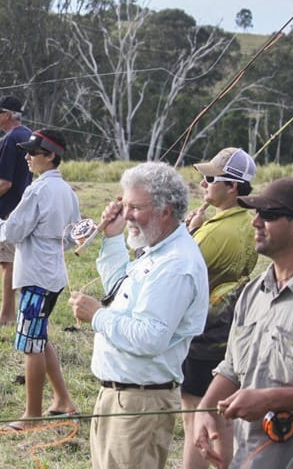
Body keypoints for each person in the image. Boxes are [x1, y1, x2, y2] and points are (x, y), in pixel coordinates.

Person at [194, 177, 293, 469]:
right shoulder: (252, 293)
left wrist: (268, 400)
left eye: (269, 216)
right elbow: (231, 368)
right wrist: (205, 409)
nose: (255, 223)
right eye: (256, 214)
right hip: (245, 458)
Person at [68, 162, 208, 469]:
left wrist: (97, 316)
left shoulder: (176, 265)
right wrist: (114, 237)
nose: (126, 214)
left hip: (140, 405)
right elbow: (120, 291)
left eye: (135, 207)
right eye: (124, 204)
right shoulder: (156, 250)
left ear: (165, 211)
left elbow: (150, 338)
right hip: (120, 398)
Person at [0, 129, 80, 430]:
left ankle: (32, 415)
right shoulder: (67, 191)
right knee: (40, 338)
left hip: (36, 279)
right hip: (54, 276)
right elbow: (72, 237)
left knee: (31, 345)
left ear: (51, 156)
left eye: (33, 152)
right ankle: (63, 400)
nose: (27, 157)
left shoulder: (37, 190)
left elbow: (11, 232)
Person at [180, 147, 258, 469]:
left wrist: (190, 232)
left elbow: (177, 270)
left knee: (194, 417)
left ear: (233, 187)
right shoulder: (250, 224)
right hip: (230, 336)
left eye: (210, 179)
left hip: (201, 338)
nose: (203, 185)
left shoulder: (213, 233)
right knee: (222, 415)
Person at [0, 95, 33, 327]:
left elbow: (4, 182)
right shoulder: (26, 135)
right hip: (24, 208)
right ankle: (15, 312)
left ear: (8, 115)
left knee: (6, 263)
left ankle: (7, 315)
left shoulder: (10, 139)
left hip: (7, 211)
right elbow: (16, 168)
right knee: (17, 261)